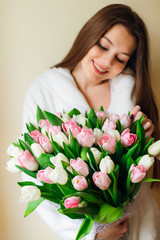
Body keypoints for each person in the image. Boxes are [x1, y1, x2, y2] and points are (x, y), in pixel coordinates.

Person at [22, 4, 160, 240]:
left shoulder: (131, 92)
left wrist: (146, 143)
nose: (106, 62)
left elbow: (144, 172)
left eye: (120, 58)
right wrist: (92, 236)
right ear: (89, 34)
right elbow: (34, 180)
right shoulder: (44, 91)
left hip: (140, 226)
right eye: (103, 46)